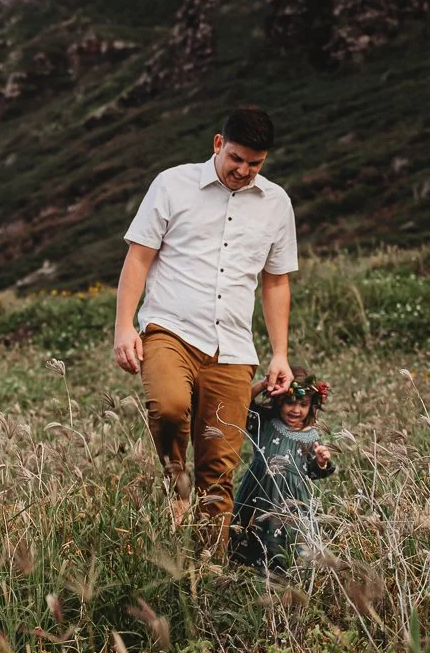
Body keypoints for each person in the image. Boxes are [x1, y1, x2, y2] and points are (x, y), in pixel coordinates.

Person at [113, 106, 298, 544]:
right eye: (236, 158)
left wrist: (280, 353)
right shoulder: (172, 184)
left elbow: (275, 283)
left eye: (255, 163)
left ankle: (206, 575)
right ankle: (175, 485)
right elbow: (138, 257)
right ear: (218, 144)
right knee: (170, 406)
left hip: (233, 347)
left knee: (219, 468)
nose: (244, 170)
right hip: (170, 328)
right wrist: (124, 327)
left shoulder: (277, 203)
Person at [230, 370, 334, 572]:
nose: (296, 410)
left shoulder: (311, 436)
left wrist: (321, 461)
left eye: (303, 404)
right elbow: (241, 403)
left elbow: (313, 472)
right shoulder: (265, 423)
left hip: (290, 502)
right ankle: (244, 570)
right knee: (250, 533)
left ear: (311, 406)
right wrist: (263, 384)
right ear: (279, 401)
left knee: (289, 541)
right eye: (290, 403)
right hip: (259, 494)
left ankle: (285, 572)